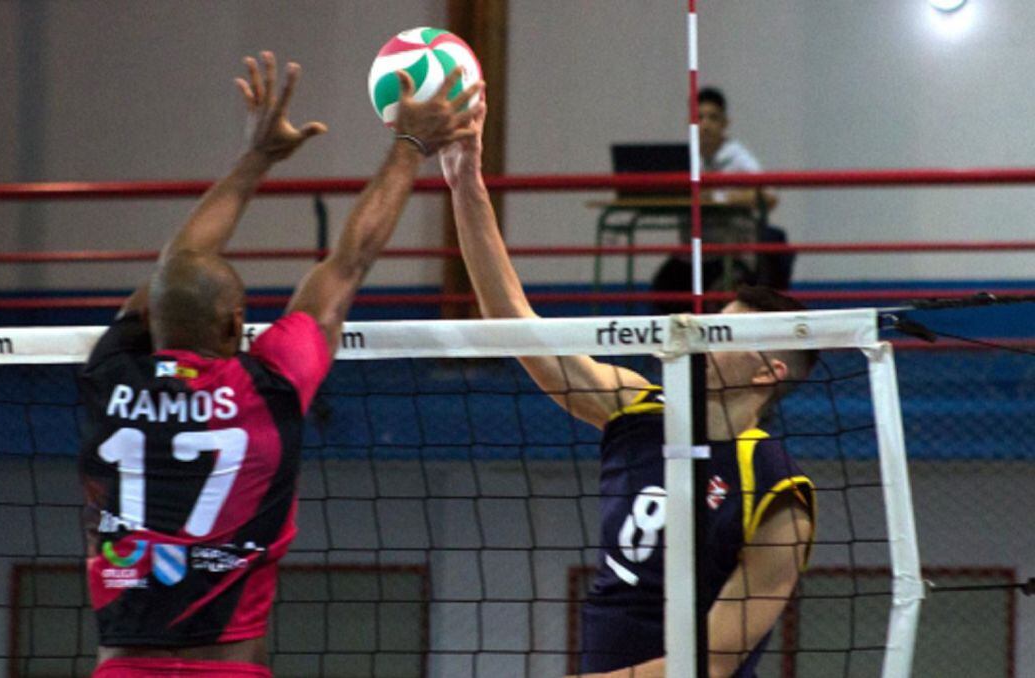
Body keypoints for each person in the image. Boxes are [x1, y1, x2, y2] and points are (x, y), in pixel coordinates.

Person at [78, 52, 481, 678]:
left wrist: (255, 159)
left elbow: (179, 262)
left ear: (150, 320)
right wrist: (409, 144)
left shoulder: (108, 379)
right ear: (236, 326)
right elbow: (348, 263)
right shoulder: (267, 391)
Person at [439, 102, 815, 677]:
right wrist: (465, 180)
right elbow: (513, 320)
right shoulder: (638, 408)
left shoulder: (779, 491)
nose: (703, 333)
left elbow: (710, 665)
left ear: (768, 371)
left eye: (726, 329)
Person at [653, 87, 792, 312]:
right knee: (664, 286)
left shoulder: (737, 156)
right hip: (691, 255)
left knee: (721, 297)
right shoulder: (684, 159)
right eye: (699, 118)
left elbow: (769, 196)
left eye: (713, 118)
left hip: (729, 254)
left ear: (725, 123)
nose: (705, 125)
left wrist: (721, 196)